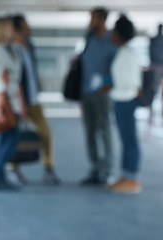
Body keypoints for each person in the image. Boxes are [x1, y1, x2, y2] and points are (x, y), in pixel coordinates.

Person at [7, 13, 60, 185]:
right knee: (14, 136)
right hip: (17, 100)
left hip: (33, 99)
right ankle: (13, 169)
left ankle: (48, 168)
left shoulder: (29, 45)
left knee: (46, 132)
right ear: (17, 28)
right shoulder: (11, 48)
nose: (29, 28)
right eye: (25, 25)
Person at [80, 7, 118, 185]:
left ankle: (107, 170)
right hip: (86, 92)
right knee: (89, 132)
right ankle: (95, 169)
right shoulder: (90, 39)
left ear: (102, 19)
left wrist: (108, 83)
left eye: (93, 18)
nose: (90, 21)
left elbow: (118, 66)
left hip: (103, 94)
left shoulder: (112, 40)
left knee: (105, 131)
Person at [0, 16, 24, 190]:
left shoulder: (11, 49)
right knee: (9, 138)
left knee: (8, 138)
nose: (12, 30)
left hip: (12, 100)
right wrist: (6, 83)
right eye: (9, 28)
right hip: (4, 101)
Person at [107, 15, 142, 193]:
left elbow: (130, 82)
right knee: (125, 139)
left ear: (119, 33)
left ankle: (133, 178)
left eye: (113, 31)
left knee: (130, 140)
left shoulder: (127, 54)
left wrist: (111, 89)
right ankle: (125, 175)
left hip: (126, 101)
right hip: (122, 100)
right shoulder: (123, 52)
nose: (110, 34)